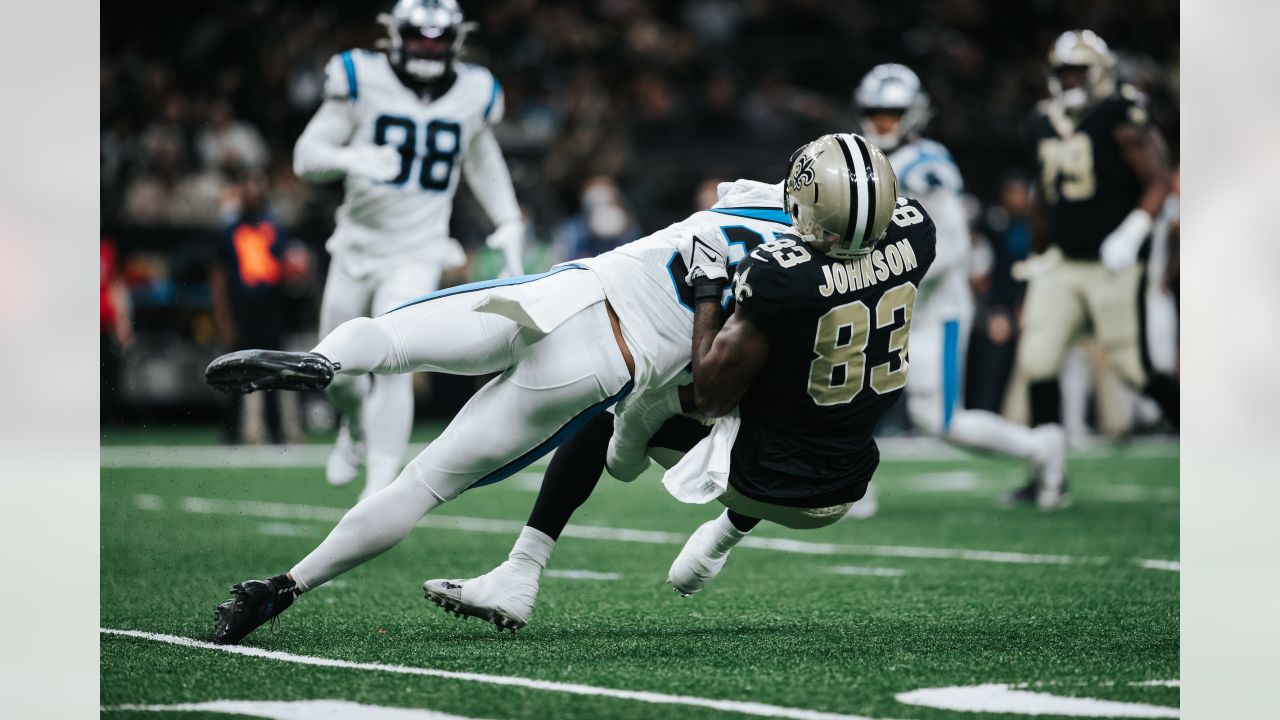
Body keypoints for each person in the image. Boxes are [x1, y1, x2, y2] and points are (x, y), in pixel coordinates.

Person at [202, 170, 793, 643]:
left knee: (391, 338)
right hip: (603, 364)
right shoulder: (805, 279)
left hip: (559, 295)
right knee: (423, 485)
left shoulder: (750, 200)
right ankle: (282, 587)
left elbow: (737, 197)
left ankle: (326, 362)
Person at [422, 132, 931, 621]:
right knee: (785, 390)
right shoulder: (917, 234)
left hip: (769, 481)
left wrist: (709, 288)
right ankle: (721, 539)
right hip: (851, 478)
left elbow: (710, 397)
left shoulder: (781, 274)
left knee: (622, 396)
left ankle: (522, 568)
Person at [294, 0, 526, 500]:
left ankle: (379, 487)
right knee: (333, 372)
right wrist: (349, 157)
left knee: (394, 357)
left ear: (455, 41)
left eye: (437, 40)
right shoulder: (360, 76)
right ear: (396, 36)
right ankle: (355, 428)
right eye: (418, 37)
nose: (427, 48)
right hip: (356, 246)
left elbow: (482, 158)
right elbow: (305, 157)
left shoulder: (474, 90)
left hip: (419, 249)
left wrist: (508, 220)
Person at [847, 64, 1066, 515]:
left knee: (940, 420)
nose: (882, 121)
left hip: (932, 307)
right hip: (885, 303)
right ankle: (852, 486)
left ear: (913, 113)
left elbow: (955, 245)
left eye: (892, 112)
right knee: (853, 393)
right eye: (875, 111)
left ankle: (1042, 447)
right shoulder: (863, 159)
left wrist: (893, 277)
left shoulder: (926, 163)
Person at [1008, 30, 1177, 503]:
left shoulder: (1121, 110)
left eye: (1079, 70)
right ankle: (1049, 474)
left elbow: (1158, 179)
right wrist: (1038, 251)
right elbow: (1045, 193)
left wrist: (1133, 231)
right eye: (1064, 71)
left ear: (1100, 71)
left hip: (1112, 264)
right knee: (1038, 361)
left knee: (1134, 369)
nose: (1072, 79)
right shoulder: (1041, 120)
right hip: (1062, 261)